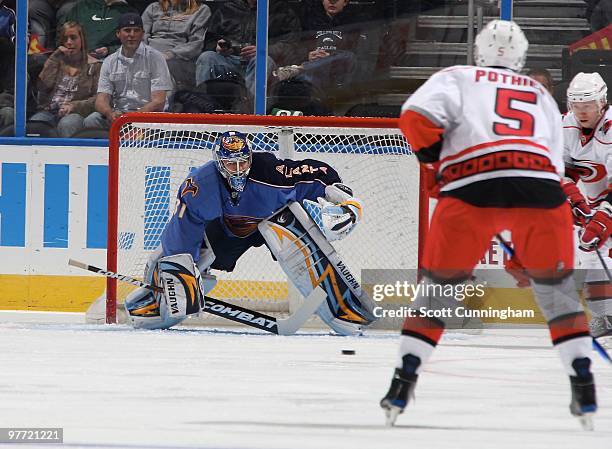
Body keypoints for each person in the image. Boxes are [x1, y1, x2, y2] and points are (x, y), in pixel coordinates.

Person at [379, 20, 597, 429]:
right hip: (540, 194)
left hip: (471, 189)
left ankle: (402, 381)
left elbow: (414, 117)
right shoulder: (540, 93)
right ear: (522, 56)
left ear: (478, 50)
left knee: (438, 293)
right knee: (558, 297)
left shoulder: (457, 76)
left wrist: (434, 162)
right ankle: (583, 384)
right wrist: (527, 254)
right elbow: (551, 171)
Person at [124, 130, 368, 336]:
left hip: (275, 224)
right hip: (228, 231)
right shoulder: (201, 185)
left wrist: (344, 199)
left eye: (243, 162)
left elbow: (317, 172)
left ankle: (344, 307)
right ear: (219, 163)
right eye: (231, 164)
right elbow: (182, 231)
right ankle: (154, 304)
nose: (239, 170)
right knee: (172, 259)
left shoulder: (271, 172)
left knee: (293, 227)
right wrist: (180, 273)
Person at [560, 71, 612, 339]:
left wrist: (604, 217)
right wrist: (574, 198)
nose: (581, 111)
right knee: (589, 251)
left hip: (608, 199)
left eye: (588, 105)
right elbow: (561, 169)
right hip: (596, 199)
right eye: (576, 105)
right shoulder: (567, 125)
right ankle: (606, 316)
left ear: (602, 102)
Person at [83, 13, 173, 130]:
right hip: (120, 117)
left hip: (149, 117)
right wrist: (110, 113)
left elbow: (159, 101)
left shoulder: (156, 58)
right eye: (127, 30)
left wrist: (132, 117)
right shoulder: (109, 61)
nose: (132, 35)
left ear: (142, 33)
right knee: (92, 120)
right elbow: (101, 99)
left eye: (136, 30)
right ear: (118, 34)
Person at [194, 0, 301, 94]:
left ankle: (250, 110)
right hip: (230, 59)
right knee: (206, 57)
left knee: (263, 61)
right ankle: (204, 107)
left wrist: (263, 50)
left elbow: (292, 45)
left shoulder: (283, 11)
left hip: (261, 61)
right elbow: (210, 41)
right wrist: (218, 47)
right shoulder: (226, 9)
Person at [28, 21, 101, 137]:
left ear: (82, 40)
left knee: (67, 124)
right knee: (35, 124)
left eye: (73, 38)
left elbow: (98, 98)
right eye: (65, 39)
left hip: (77, 113)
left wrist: (74, 106)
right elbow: (42, 86)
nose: (69, 42)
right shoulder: (56, 61)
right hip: (49, 111)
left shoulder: (95, 66)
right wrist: (54, 59)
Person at [274, 0, 365, 89]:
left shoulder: (355, 24)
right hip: (313, 73)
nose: (332, 2)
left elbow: (356, 55)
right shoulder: (309, 22)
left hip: (340, 72)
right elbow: (297, 49)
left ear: (345, 2)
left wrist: (329, 58)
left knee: (348, 56)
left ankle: (301, 68)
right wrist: (307, 56)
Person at [142, 0, 211, 90]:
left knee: (162, 68)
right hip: (149, 54)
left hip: (179, 59)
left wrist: (170, 54)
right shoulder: (153, 7)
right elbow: (140, 34)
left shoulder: (201, 10)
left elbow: (196, 43)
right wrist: (143, 51)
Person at [62, 0, 137, 60]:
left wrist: (109, 50)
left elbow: (135, 44)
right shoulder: (80, 8)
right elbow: (64, 37)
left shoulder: (129, 12)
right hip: (80, 60)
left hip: (113, 61)